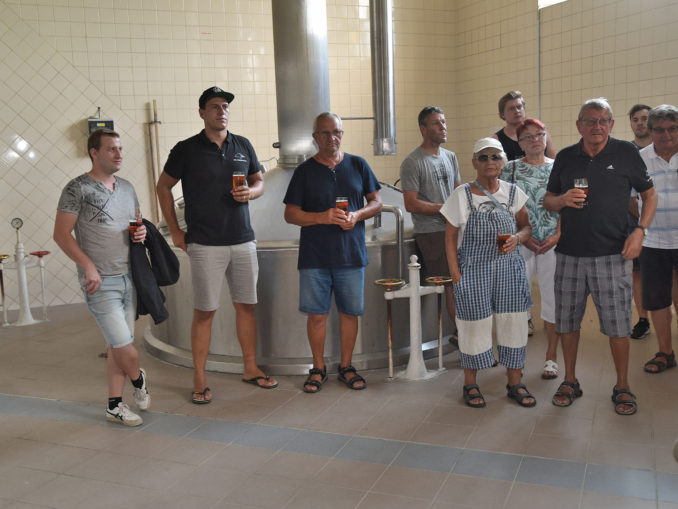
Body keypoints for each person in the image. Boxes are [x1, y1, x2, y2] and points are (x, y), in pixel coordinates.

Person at [156, 86, 277, 404]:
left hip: (243, 239)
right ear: (202, 113)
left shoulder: (243, 145)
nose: (221, 111)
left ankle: (250, 367)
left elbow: (259, 181)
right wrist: (175, 231)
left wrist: (251, 192)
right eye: (214, 106)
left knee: (246, 306)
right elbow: (163, 187)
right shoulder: (186, 149)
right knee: (205, 312)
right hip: (205, 243)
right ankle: (199, 377)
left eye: (225, 106)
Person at [544, 97, 657, 416]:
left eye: (603, 120)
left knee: (618, 326)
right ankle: (570, 380)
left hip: (613, 254)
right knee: (568, 323)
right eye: (590, 120)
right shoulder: (565, 157)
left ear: (611, 124)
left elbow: (650, 195)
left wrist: (640, 231)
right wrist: (562, 199)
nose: (597, 126)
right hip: (569, 255)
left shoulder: (626, 153)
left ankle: (622, 385)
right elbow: (548, 200)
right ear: (578, 125)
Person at [54, 129, 150, 426]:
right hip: (100, 282)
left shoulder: (127, 188)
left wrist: (140, 232)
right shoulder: (77, 188)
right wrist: (88, 266)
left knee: (116, 346)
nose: (119, 154)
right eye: (111, 149)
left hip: (129, 277)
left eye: (120, 148)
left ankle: (114, 406)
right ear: (94, 153)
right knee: (123, 346)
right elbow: (61, 234)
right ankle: (138, 379)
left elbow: (136, 222)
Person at [284, 112, 382, 393]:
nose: (332, 138)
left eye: (336, 132)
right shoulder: (304, 172)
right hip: (315, 257)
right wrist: (321, 217)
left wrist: (357, 215)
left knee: (350, 313)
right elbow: (290, 214)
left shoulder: (358, 164)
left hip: (351, 254)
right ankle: (318, 368)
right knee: (317, 315)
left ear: (342, 134)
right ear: (315, 137)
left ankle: (347, 366)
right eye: (325, 133)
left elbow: (376, 201)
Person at [441, 137, 534, 409]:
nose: (490, 162)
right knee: (473, 326)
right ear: (474, 163)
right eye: (483, 157)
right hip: (473, 270)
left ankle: (515, 383)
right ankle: (470, 384)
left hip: (509, 271)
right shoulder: (462, 194)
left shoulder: (513, 192)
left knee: (514, 324)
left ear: (503, 161)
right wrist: (455, 274)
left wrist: (518, 238)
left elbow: (527, 227)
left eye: (495, 156)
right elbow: (450, 236)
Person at [500, 118, 561, 380]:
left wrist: (557, 235)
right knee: (516, 302)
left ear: (546, 137)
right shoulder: (510, 169)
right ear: (519, 142)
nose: (535, 140)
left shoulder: (559, 167)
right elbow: (503, 207)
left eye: (540, 134)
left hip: (551, 244)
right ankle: (517, 358)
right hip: (521, 243)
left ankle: (551, 357)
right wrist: (524, 237)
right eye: (528, 136)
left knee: (553, 300)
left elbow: (568, 206)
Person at [400, 106, 461, 341]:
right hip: (433, 233)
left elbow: (457, 192)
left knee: (462, 282)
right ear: (423, 129)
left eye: (444, 122)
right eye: (436, 123)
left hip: (455, 228)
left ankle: (466, 333)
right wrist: (442, 209)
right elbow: (411, 203)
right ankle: (461, 335)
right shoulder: (412, 162)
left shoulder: (450, 157)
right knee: (451, 284)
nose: (443, 127)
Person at [638, 104, 678, 374]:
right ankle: (665, 353)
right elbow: (631, 199)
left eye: (673, 128)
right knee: (657, 299)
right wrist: (642, 227)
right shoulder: (640, 159)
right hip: (653, 242)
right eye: (660, 130)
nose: (667, 135)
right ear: (650, 131)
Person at [627, 104, 653, 339]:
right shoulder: (627, 152)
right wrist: (644, 220)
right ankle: (643, 319)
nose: (640, 123)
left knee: (672, 273)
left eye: (644, 118)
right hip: (635, 223)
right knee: (637, 272)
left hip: (667, 225)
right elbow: (628, 195)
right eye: (635, 119)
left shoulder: (665, 148)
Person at [492, 90, 556, 161]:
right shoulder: (496, 139)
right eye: (511, 109)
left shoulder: (541, 132)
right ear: (502, 114)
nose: (517, 111)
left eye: (519, 107)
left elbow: (554, 162)